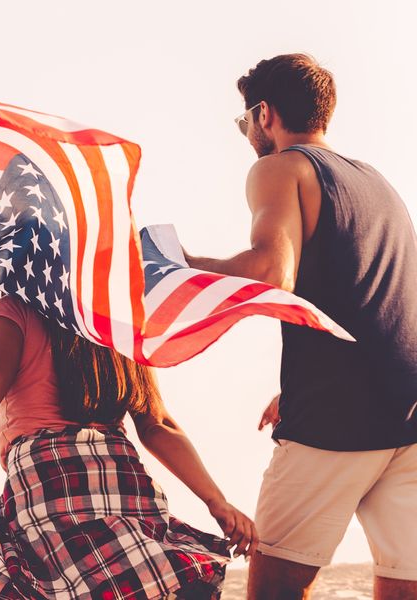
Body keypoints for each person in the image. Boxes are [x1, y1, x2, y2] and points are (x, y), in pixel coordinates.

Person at [183, 53, 417, 599]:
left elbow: (271, 272)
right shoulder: (378, 183)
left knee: (275, 589)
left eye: (245, 122)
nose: (247, 134)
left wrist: (181, 265)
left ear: (265, 114)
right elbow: (381, 299)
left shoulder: (281, 168)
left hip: (336, 419)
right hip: (407, 414)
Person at [0, 282, 253, 599]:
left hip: (48, 479)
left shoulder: (17, 309)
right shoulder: (118, 320)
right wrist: (215, 500)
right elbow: (156, 424)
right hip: (121, 478)